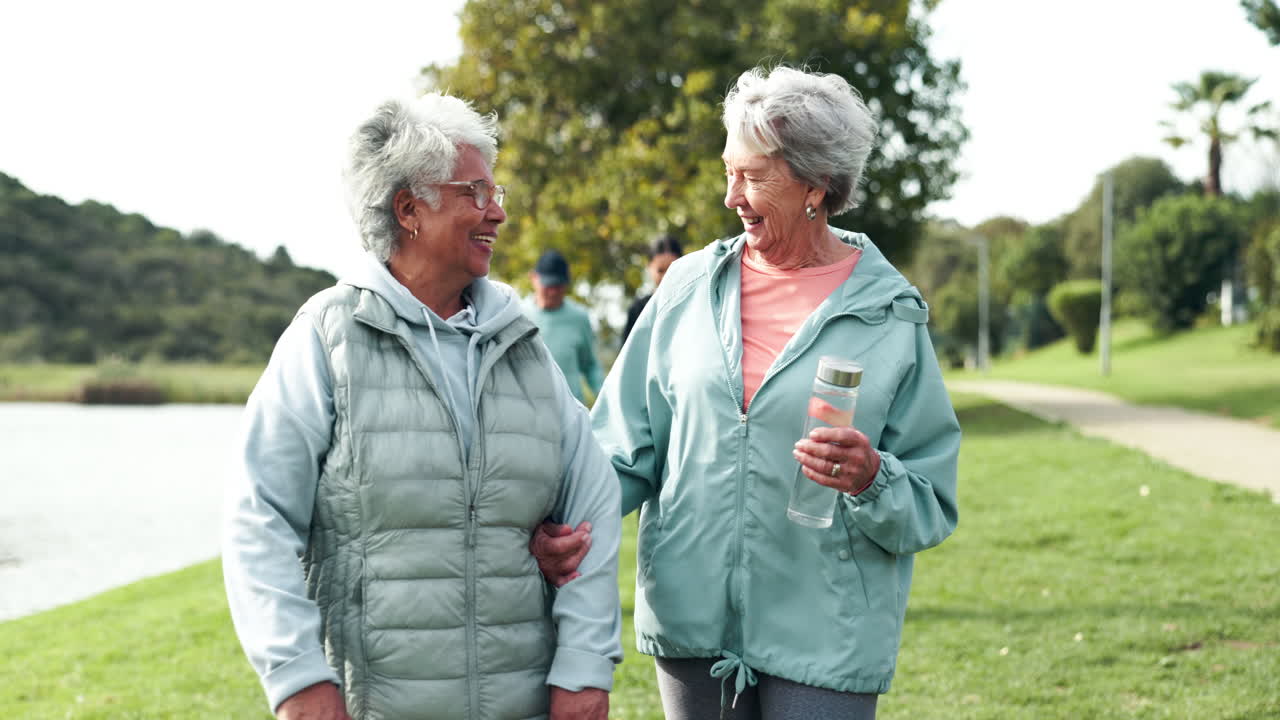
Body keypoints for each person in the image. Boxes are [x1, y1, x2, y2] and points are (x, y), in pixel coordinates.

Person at [536, 65, 961, 719]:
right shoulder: (684, 289)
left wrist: (871, 477)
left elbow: (929, 500)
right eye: (728, 171)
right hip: (693, 621)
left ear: (817, 184)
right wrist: (566, 522)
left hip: (829, 630)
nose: (732, 195)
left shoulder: (889, 314)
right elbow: (620, 446)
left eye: (753, 175)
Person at [221, 93, 622, 720]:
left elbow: (592, 502)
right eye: (475, 193)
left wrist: (584, 666)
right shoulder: (328, 336)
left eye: (497, 192)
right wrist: (297, 677)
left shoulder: (522, 343)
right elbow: (258, 516)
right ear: (409, 209)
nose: (498, 213)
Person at [524, 249, 605, 404]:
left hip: (571, 413)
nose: (553, 292)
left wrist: (606, 400)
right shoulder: (518, 315)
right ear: (534, 278)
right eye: (548, 285)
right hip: (529, 412)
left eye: (558, 285)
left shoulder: (579, 318)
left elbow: (590, 365)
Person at [621, 234, 684, 345]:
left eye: (672, 269)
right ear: (649, 267)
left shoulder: (691, 303)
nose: (666, 277)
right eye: (660, 270)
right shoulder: (638, 310)